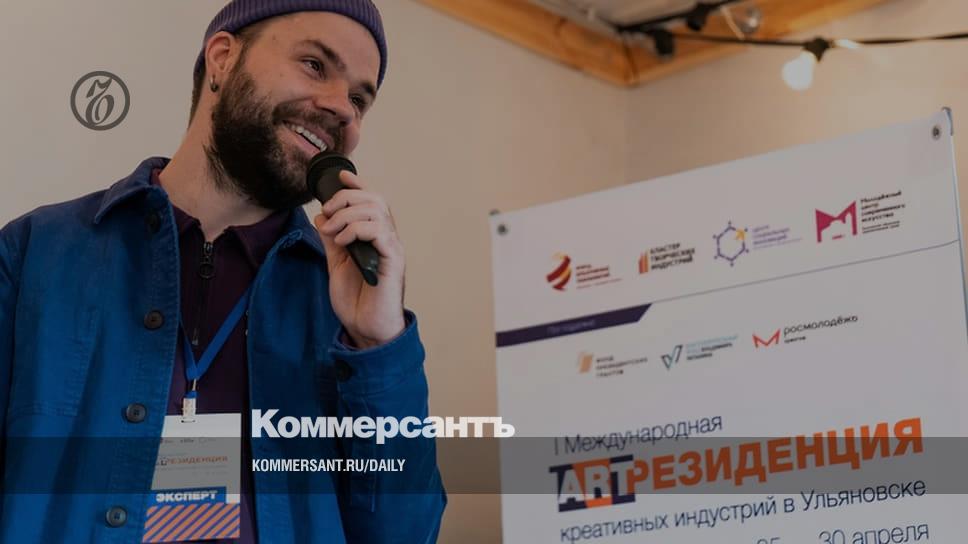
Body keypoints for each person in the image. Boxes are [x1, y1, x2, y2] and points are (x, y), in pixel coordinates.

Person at [0, 0, 446, 542]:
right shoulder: (36, 252)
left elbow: (405, 533)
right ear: (222, 58)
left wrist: (378, 345)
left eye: (359, 98)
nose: (342, 109)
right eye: (314, 65)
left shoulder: (345, 306)